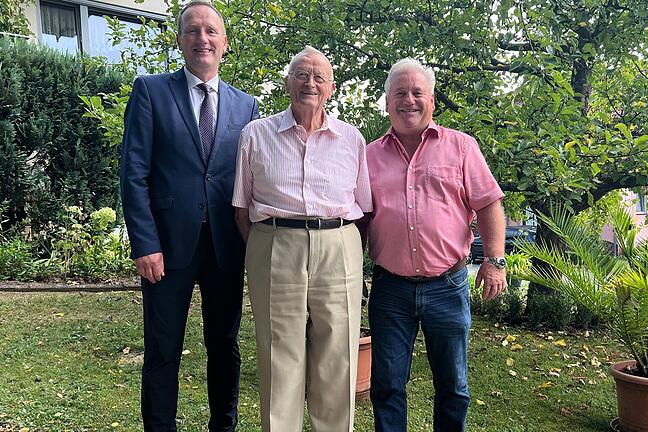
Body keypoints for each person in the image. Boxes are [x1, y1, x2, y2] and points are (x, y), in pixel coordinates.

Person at [119, 1, 259, 430]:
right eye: (193, 31)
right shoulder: (150, 91)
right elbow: (133, 174)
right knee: (162, 349)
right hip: (166, 248)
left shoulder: (246, 106)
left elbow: (251, 182)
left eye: (211, 31)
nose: (203, 39)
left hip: (225, 247)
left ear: (225, 43)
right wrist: (145, 244)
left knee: (225, 346)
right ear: (179, 40)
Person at [231, 46, 372, 432]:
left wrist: (342, 247)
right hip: (275, 243)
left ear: (331, 88)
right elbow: (241, 209)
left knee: (338, 352)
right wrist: (270, 246)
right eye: (301, 74)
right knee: (279, 353)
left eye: (319, 77)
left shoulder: (351, 139)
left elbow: (364, 207)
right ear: (287, 82)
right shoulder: (256, 134)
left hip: (338, 245)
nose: (310, 82)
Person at [364, 58, 507, 431]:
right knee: (387, 385)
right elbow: (359, 218)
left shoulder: (461, 147)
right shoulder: (368, 156)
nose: (408, 100)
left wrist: (495, 261)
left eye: (417, 93)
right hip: (390, 288)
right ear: (387, 102)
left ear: (432, 101)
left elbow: (489, 203)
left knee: (453, 387)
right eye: (399, 93)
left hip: (448, 285)